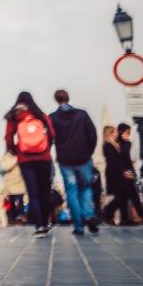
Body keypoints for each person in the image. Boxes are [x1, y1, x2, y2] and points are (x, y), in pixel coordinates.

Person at [3, 91, 55, 238]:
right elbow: (52, 134)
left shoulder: (14, 117)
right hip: (44, 158)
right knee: (44, 192)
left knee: (33, 193)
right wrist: (45, 149)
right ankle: (45, 222)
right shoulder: (40, 115)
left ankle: (39, 226)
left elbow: (8, 138)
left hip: (25, 160)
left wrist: (14, 151)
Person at [49, 90, 100, 236]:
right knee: (86, 188)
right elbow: (93, 135)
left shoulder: (52, 118)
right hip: (83, 159)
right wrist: (88, 152)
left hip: (66, 161)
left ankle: (78, 226)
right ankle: (89, 215)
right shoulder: (82, 114)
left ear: (56, 100)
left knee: (72, 191)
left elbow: (50, 139)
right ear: (68, 98)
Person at [101, 124, 143, 225]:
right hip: (116, 175)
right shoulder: (108, 145)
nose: (117, 134)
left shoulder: (116, 145)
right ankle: (108, 211)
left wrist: (130, 174)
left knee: (124, 197)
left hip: (122, 174)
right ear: (110, 134)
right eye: (115, 132)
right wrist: (124, 172)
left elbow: (125, 160)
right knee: (122, 197)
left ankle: (123, 218)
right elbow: (115, 162)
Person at [0, 151, 26, 225]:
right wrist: (16, 159)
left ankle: (21, 216)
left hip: (20, 182)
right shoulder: (6, 157)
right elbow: (5, 167)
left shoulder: (20, 154)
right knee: (11, 202)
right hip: (10, 184)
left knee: (20, 201)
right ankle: (13, 219)